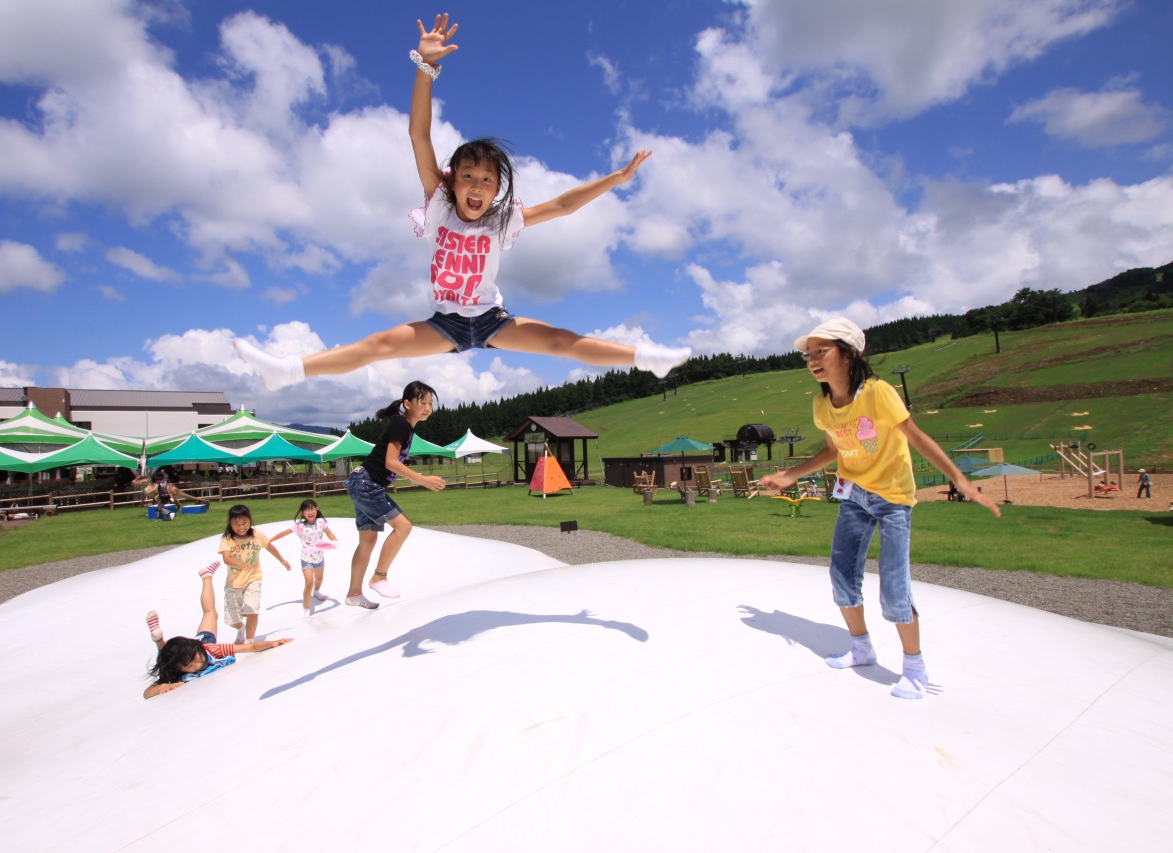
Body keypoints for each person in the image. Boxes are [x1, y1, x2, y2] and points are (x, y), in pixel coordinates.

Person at [233, 13, 691, 392]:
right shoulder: (439, 205)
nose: (475, 187)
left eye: (486, 180)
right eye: (467, 177)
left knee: (559, 341)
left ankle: (647, 357)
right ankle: (286, 369)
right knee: (377, 344)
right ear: (453, 183)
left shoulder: (501, 220)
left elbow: (564, 206)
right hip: (446, 323)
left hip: (492, 319)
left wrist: (618, 177)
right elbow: (418, 134)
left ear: (497, 189)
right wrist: (424, 68)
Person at [760, 318, 1002, 700]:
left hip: (892, 499)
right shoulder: (822, 404)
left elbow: (917, 437)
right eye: (809, 354)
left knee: (893, 587)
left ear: (849, 352)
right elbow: (833, 450)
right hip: (854, 495)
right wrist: (791, 475)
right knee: (842, 577)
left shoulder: (878, 393)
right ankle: (861, 648)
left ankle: (915, 668)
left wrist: (961, 480)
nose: (812, 360)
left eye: (821, 351)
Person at [343, 380, 447, 609]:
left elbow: (388, 463)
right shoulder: (401, 425)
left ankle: (353, 594)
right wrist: (421, 479)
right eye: (423, 403)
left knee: (367, 540)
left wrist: (413, 476)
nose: (428, 408)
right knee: (404, 527)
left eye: (430, 403)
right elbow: (390, 462)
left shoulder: (405, 427)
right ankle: (379, 576)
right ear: (407, 403)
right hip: (367, 484)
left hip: (362, 482)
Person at [143, 560, 292, 699]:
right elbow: (147, 692)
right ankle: (158, 639)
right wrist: (161, 687)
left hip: (202, 641)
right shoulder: (175, 668)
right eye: (188, 666)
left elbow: (249, 647)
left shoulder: (211, 649)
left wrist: (272, 643)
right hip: (183, 651)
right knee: (167, 659)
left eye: (195, 659)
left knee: (210, 613)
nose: (197, 665)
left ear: (197, 651)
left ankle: (206, 577)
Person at [218, 504, 291, 643]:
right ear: (230, 524)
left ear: (250, 520)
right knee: (231, 620)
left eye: (244, 522)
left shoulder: (257, 535)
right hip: (233, 583)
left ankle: (250, 641)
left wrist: (282, 560)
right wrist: (240, 564)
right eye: (236, 523)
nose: (241, 527)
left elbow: (269, 546)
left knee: (252, 610)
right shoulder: (227, 539)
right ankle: (240, 628)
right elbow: (226, 558)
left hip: (253, 578)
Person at [270, 498, 339, 615]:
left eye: (312, 509)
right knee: (309, 582)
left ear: (316, 510)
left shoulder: (322, 522)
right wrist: (269, 540)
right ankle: (306, 609)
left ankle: (316, 592)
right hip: (306, 558)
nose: (310, 512)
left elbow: (330, 534)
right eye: (307, 510)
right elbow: (284, 533)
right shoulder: (300, 526)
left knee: (319, 579)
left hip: (319, 557)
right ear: (303, 512)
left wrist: (335, 541)